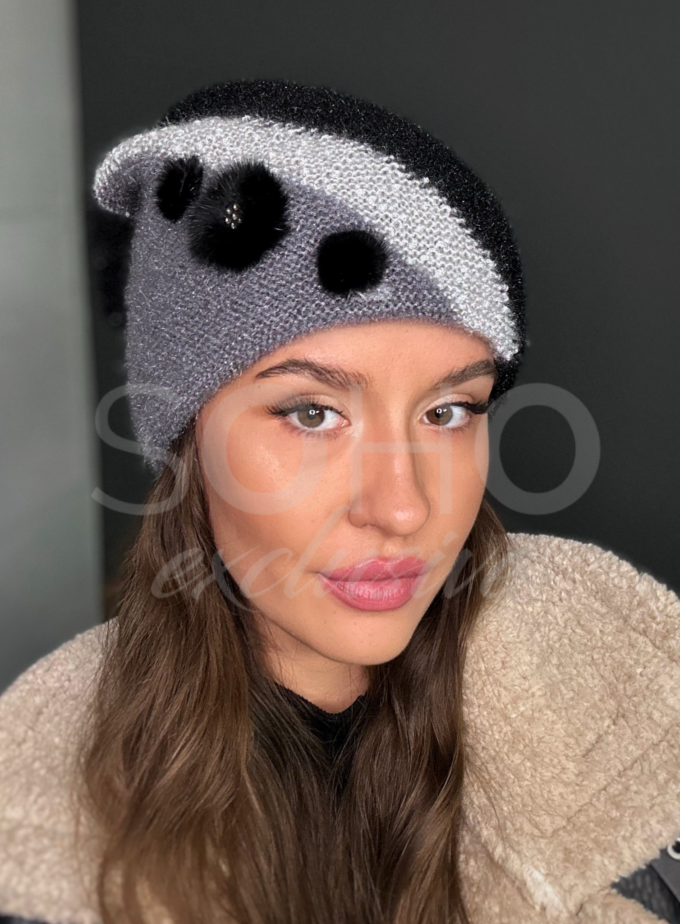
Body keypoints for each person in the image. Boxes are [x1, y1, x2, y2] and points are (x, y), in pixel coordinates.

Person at [0, 79, 679, 924]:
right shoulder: (34, 814)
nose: (402, 509)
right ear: (188, 443)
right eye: (312, 414)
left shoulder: (632, 680)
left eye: (449, 411)